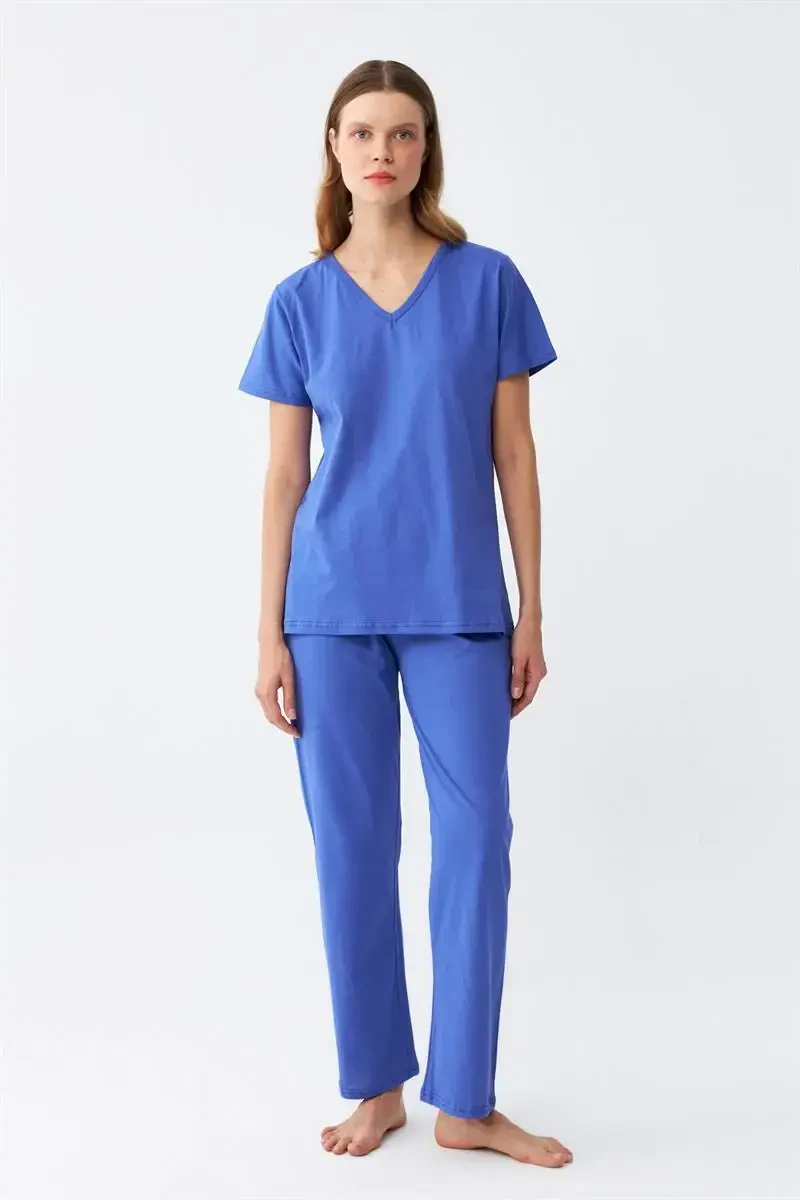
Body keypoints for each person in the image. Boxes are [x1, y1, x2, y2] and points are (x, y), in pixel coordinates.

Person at [239, 59, 573, 1169]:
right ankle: (376, 1084)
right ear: (333, 150)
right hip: (329, 609)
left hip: (459, 606)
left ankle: (465, 1099)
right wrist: (267, 631)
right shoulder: (299, 302)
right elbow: (284, 477)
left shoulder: (487, 284)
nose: (381, 151)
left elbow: (515, 455)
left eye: (403, 133)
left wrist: (531, 612)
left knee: (476, 839)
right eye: (362, 132)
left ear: (426, 151)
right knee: (353, 844)